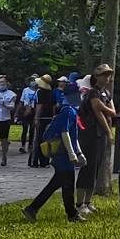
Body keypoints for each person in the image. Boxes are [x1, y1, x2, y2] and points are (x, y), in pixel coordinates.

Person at [22, 77, 84, 223]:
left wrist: (79, 152)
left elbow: (74, 136)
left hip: (65, 155)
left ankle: (70, 214)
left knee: (64, 185)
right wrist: (72, 154)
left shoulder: (70, 111)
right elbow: (65, 133)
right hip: (63, 155)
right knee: (64, 185)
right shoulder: (68, 112)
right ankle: (34, 209)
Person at [78, 64, 117, 212]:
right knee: (88, 167)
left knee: (96, 168)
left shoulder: (106, 93)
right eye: (104, 75)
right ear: (97, 77)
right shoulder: (93, 93)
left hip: (101, 135)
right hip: (91, 133)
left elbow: (113, 112)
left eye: (108, 74)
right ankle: (80, 202)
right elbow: (98, 112)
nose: (107, 77)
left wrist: (103, 106)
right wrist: (109, 131)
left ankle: (88, 201)